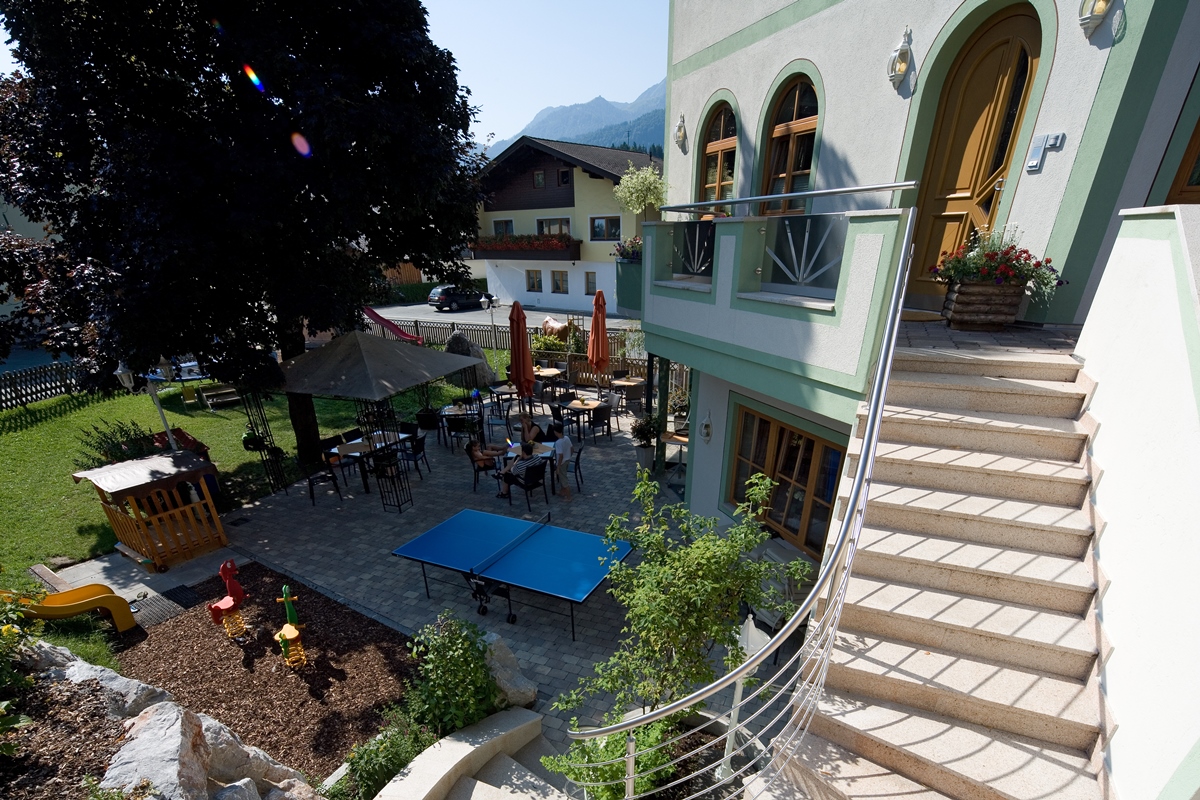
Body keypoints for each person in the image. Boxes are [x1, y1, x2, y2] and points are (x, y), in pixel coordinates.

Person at [551, 422, 573, 500]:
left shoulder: (558, 443)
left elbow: (560, 456)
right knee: (562, 477)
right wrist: (569, 456)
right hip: (567, 461)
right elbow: (571, 448)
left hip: (562, 463)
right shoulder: (566, 438)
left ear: (555, 432)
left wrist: (558, 467)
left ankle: (569, 497)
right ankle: (562, 491)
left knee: (564, 480)